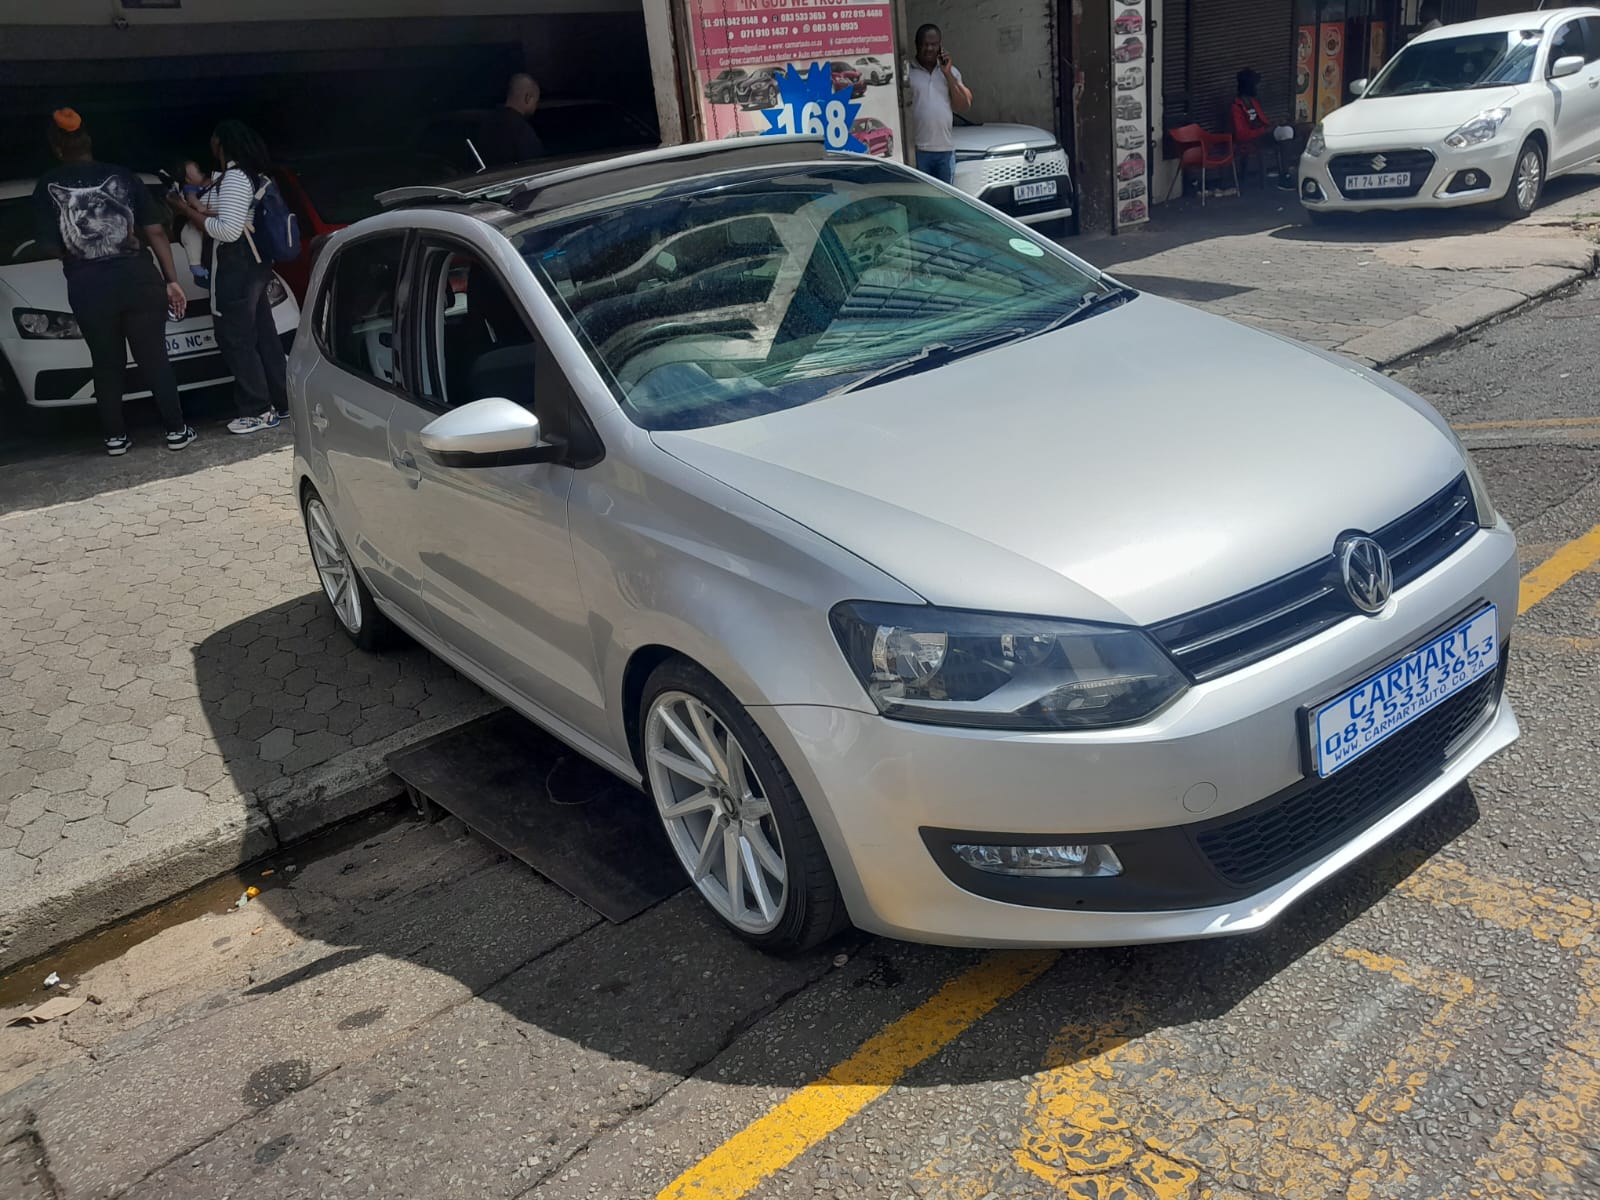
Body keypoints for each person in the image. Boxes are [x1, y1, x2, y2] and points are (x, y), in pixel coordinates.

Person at [32, 108, 196, 456]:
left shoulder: (47, 186)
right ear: (89, 141)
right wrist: (172, 280)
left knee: (107, 363)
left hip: (89, 288)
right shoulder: (122, 176)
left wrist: (77, 254)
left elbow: (49, 245)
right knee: (154, 358)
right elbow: (155, 231)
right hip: (139, 280)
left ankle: (115, 438)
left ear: (57, 148)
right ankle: (177, 431)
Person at [169, 120, 288, 435]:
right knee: (263, 334)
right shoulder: (250, 174)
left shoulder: (235, 177)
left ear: (223, 145)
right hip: (256, 266)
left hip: (238, 267)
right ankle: (283, 400)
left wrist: (184, 211)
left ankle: (257, 410)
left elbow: (228, 230)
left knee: (235, 336)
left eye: (213, 142)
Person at [906, 24, 972, 184]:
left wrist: (947, 73)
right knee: (922, 200)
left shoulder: (950, 72)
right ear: (916, 44)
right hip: (917, 151)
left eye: (934, 44)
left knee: (945, 201)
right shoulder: (907, 72)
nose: (929, 48)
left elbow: (964, 104)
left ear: (940, 46)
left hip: (945, 151)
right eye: (925, 44)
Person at [1231, 69, 1298, 189]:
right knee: (1286, 132)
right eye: (1255, 85)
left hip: (1263, 135)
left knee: (1295, 129)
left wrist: (1275, 123)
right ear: (1248, 86)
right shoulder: (1236, 107)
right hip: (1253, 139)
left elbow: (1263, 122)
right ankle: (1285, 175)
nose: (1257, 88)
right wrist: (1265, 130)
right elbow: (1241, 134)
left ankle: (1290, 171)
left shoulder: (1253, 102)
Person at [474, 74, 544, 169]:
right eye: (536, 101)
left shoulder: (487, 122)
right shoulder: (522, 131)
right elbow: (535, 166)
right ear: (528, 98)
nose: (536, 107)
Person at [175, 158, 216, 287]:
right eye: (193, 172)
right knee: (192, 235)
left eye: (198, 169)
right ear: (187, 179)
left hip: (212, 232)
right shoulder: (190, 188)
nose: (200, 171)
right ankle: (195, 264)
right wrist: (199, 207)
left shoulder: (213, 182)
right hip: (196, 225)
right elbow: (191, 199)